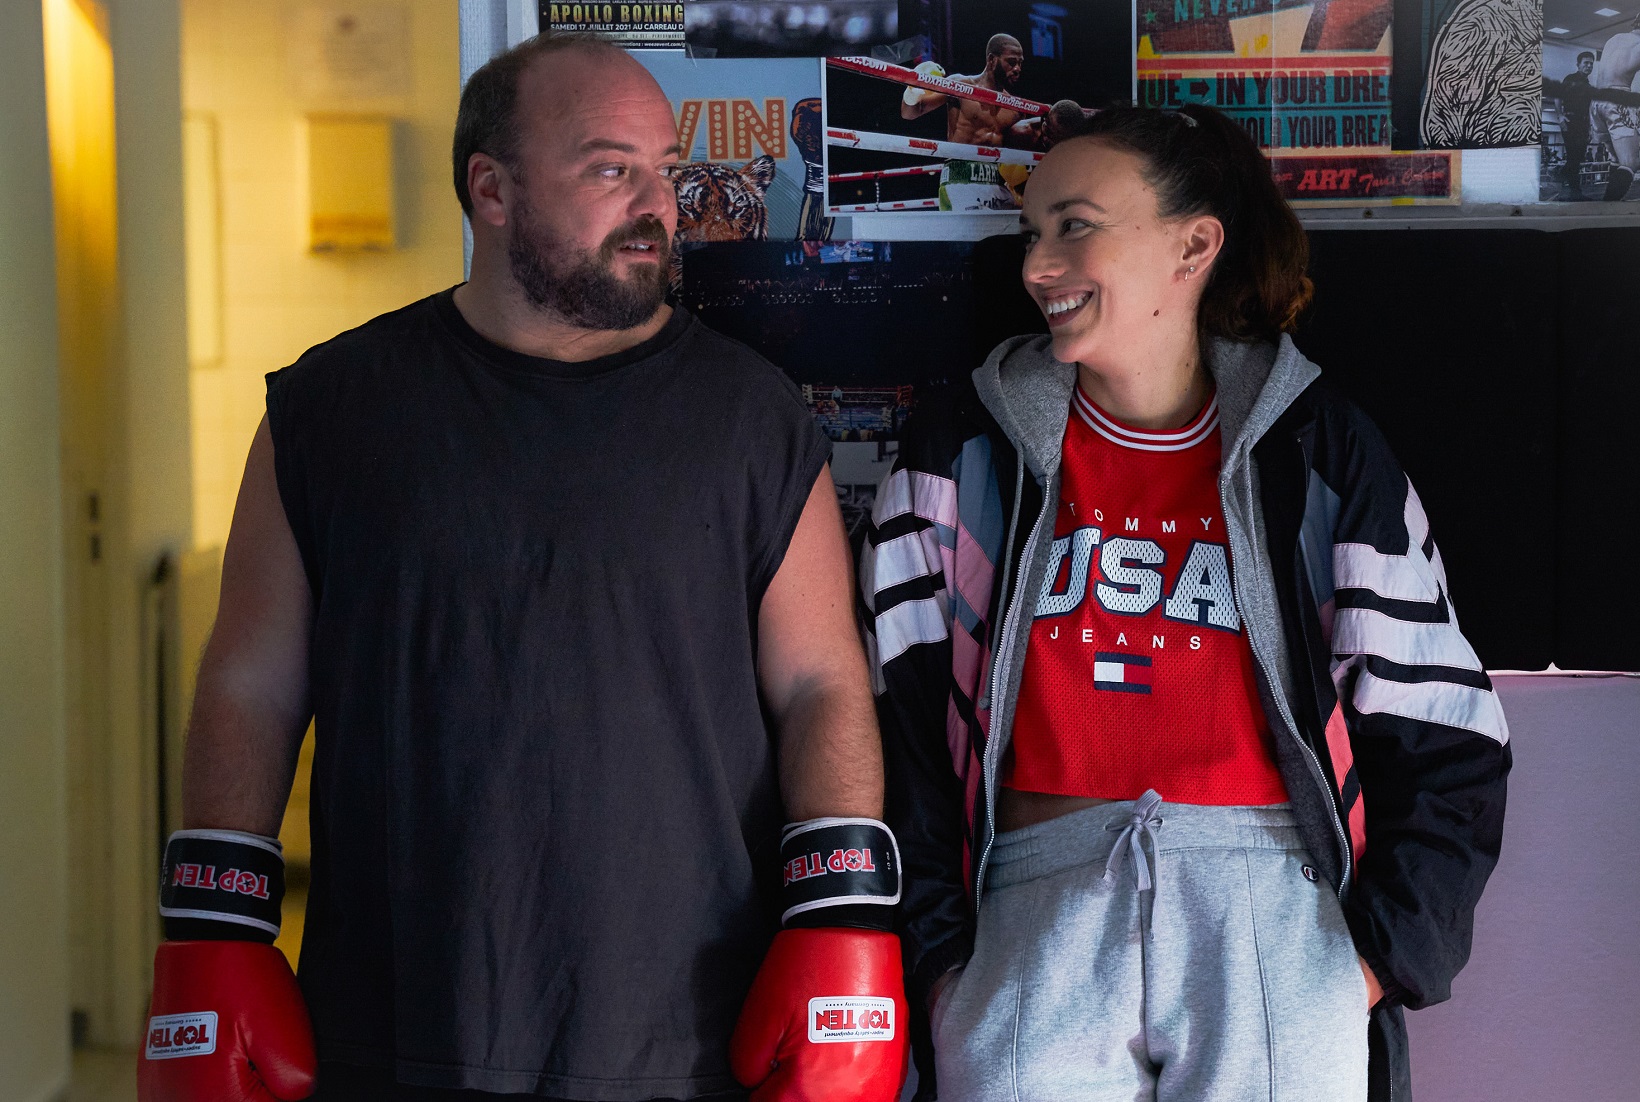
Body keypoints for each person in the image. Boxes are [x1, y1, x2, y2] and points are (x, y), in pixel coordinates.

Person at [138, 32, 909, 1102]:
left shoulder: (750, 418)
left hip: (686, 1041)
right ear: (490, 190)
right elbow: (250, 682)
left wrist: (842, 919)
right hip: (397, 1027)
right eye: (610, 169)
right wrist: (213, 929)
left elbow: (822, 679)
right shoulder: (328, 411)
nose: (660, 205)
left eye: (665, 168)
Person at [861, 103, 1511, 1102]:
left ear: (1193, 244)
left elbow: (1443, 729)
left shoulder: (1317, 450)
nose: (1038, 266)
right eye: (1033, 233)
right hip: (1029, 915)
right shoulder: (965, 445)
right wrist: (945, 969)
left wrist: (1368, 970)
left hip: (1272, 926)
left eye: (1075, 225)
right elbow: (893, 722)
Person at [899, 35, 1026, 210]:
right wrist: (914, 86)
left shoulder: (1015, 108)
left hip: (998, 184)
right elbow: (910, 113)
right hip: (960, 181)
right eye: (1011, 62)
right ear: (991, 60)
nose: (1017, 68)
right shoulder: (961, 85)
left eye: (1020, 63)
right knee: (969, 238)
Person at [1593, 11, 1640, 199]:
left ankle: (1610, 206)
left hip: (1596, 101)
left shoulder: (1614, 38)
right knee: (1630, 162)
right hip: (1619, 101)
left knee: (1616, 160)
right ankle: (1608, 207)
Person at [1558, 52, 1596, 199]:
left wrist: (1591, 127)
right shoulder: (1570, 79)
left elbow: (1590, 108)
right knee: (1574, 157)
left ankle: (1563, 173)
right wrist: (1559, 116)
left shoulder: (1588, 85)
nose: (1589, 66)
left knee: (1579, 157)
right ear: (1578, 64)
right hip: (1570, 121)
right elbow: (1557, 96)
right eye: (1586, 63)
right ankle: (1576, 192)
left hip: (1584, 124)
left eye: (1591, 63)